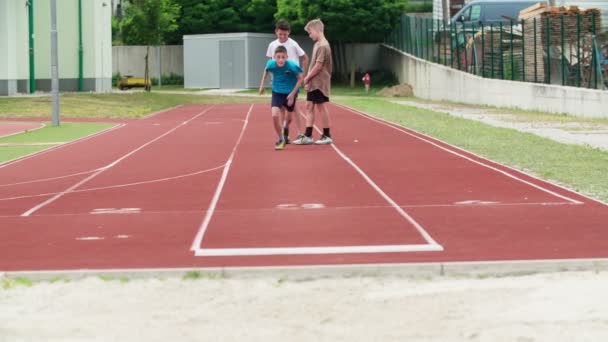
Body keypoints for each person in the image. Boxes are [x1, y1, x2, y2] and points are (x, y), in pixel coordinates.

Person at [265, 20, 309, 144]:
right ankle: (285, 135)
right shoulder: (272, 45)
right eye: (280, 34)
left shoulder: (293, 44)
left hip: (292, 81)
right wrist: (271, 78)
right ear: (276, 32)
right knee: (281, 110)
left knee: (293, 109)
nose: (283, 37)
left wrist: (303, 75)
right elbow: (269, 63)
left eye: (285, 34)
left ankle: (298, 133)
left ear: (289, 32)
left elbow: (305, 57)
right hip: (278, 82)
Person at [293, 19, 333, 145]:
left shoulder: (323, 46)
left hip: (319, 82)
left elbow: (318, 66)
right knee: (309, 106)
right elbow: (313, 64)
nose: (309, 35)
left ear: (317, 30)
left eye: (310, 32)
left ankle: (327, 135)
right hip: (313, 82)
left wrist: (307, 78)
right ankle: (308, 135)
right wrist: (309, 80)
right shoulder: (317, 44)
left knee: (320, 106)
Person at [259, 45, 304, 150]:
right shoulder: (270, 64)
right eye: (278, 57)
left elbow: (301, 78)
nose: (281, 60)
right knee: (274, 115)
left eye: (283, 57)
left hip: (290, 93)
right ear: (274, 57)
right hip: (277, 92)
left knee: (289, 119)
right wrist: (262, 85)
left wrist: (293, 94)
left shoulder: (292, 65)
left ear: (287, 57)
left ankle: (285, 127)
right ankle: (281, 139)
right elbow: (266, 71)